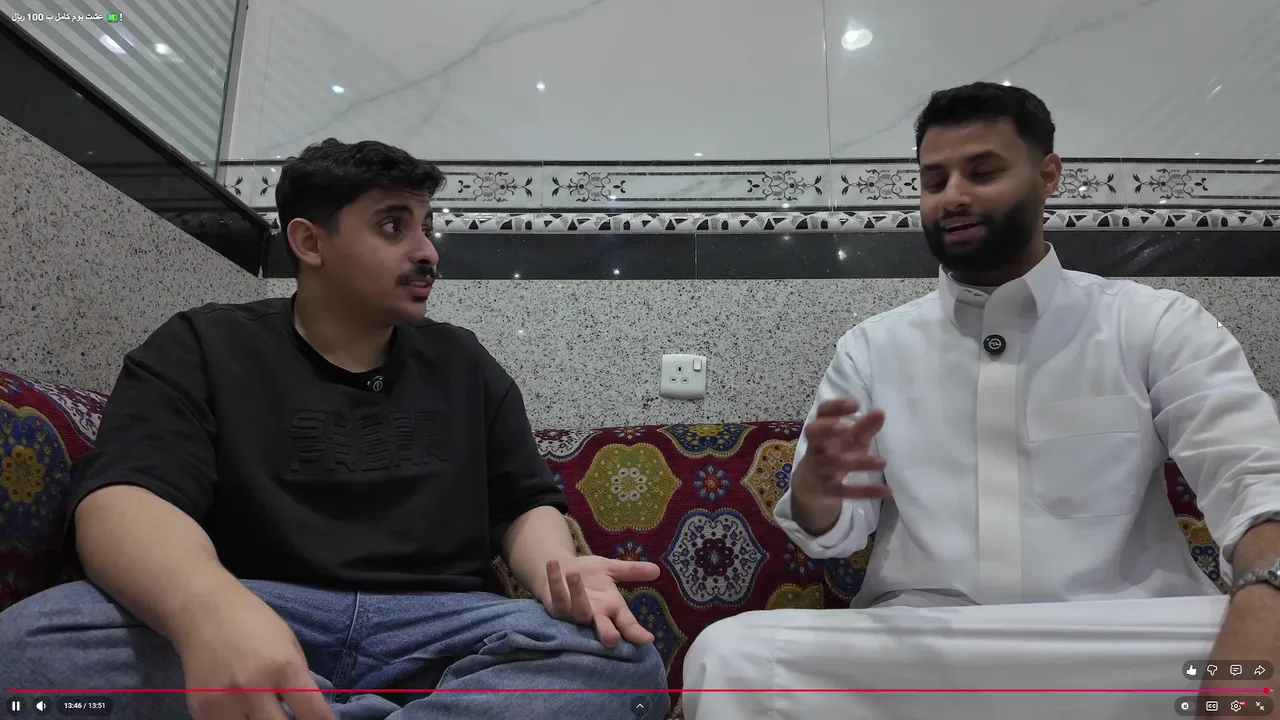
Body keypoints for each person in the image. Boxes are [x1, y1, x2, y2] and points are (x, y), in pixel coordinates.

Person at [0, 139, 668, 720]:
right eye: (392, 226)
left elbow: (523, 504)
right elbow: (125, 497)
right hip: (253, 604)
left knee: (621, 664)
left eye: (427, 226)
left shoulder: (464, 362)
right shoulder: (203, 345)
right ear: (309, 242)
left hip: (442, 625)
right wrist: (208, 610)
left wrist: (559, 572)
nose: (427, 251)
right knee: (33, 648)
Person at [681, 82, 1280, 719]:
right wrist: (816, 493)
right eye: (934, 180)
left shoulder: (1154, 324)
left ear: (1047, 176)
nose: (954, 196)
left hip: (1116, 638)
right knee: (731, 656)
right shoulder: (873, 348)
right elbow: (832, 537)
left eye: (983, 172)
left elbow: (1253, 478)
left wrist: (1262, 600)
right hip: (935, 646)